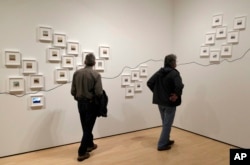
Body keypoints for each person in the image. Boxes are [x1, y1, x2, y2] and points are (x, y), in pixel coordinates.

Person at [147, 54, 184, 151]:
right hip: (169, 103)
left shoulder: (160, 72)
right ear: (172, 63)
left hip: (160, 102)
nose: (176, 63)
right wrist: (176, 95)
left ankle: (166, 140)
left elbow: (149, 83)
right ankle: (162, 144)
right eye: (175, 61)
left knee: (165, 123)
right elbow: (179, 86)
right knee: (167, 124)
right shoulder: (174, 73)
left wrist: (158, 93)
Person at [71, 53, 103, 161]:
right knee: (88, 127)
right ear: (94, 63)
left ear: (85, 62)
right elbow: (99, 93)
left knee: (85, 126)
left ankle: (90, 144)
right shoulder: (96, 75)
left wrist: (79, 98)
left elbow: (73, 91)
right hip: (91, 104)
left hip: (80, 103)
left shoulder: (76, 73)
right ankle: (82, 152)